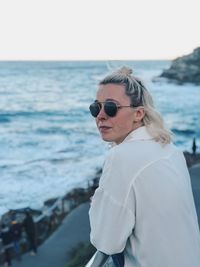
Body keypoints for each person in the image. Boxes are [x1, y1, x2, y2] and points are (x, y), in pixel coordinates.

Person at [88, 66, 200, 267]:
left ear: (139, 113)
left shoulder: (121, 156)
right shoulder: (169, 149)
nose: (101, 116)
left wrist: (97, 200)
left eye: (111, 108)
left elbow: (106, 241)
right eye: (96, 108)